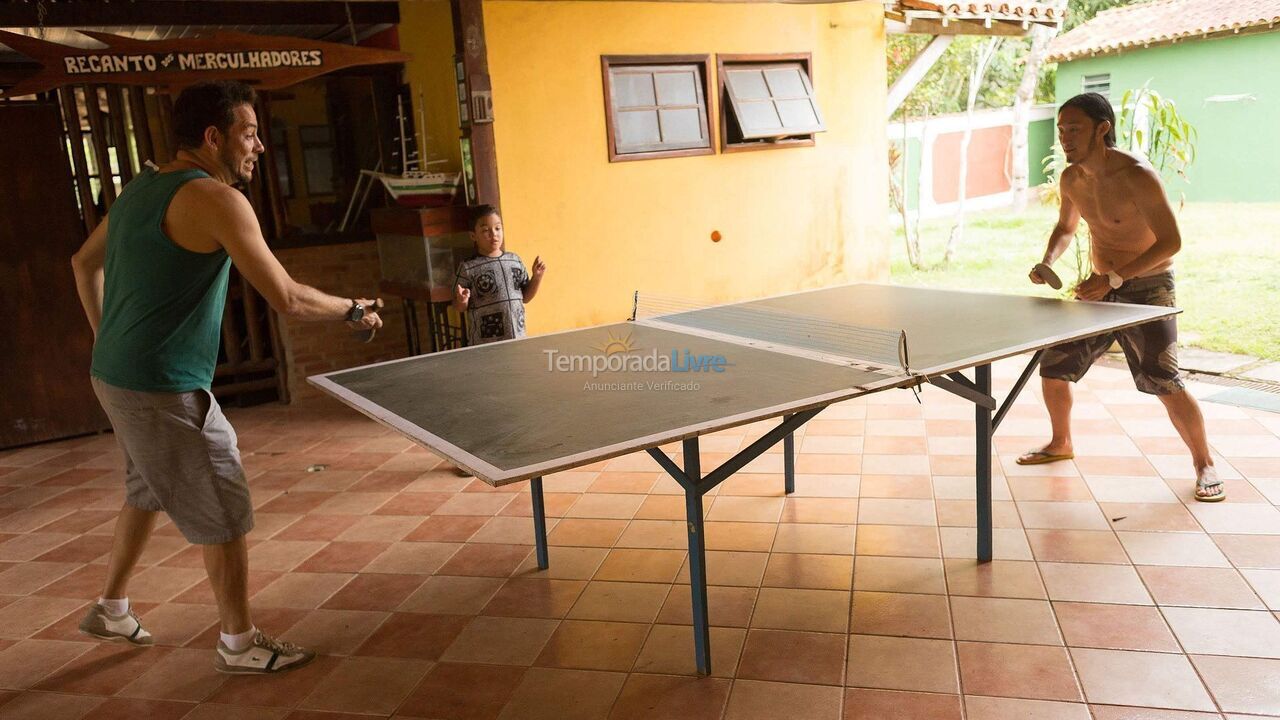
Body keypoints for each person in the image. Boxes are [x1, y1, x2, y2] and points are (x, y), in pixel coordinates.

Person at [70, 80, 384, 673]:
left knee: (147, 487)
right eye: (249, 132)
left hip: (116, 376)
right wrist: (350, 308)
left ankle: (111, 608)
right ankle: (239, 643)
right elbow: (286, 297)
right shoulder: (217, 200)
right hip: (162, 386)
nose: (260, 145)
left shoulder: (141, 189)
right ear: (214, 138)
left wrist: (107, 339)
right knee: (222, 497)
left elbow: (83, 263)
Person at [1023, 92, 1221, 502]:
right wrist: (1047, 261)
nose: (1065, 138)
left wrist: (1114, 278)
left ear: (1103, 128)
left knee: (1164, 380)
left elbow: (1171, 241)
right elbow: (1065, 228)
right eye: (1061, 131)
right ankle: (1061, 443)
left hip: (1147, 288)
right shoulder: (1072, 178)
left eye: (1074, 129)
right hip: (1100, 285)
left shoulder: (1137, 176)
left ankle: (1205, 464)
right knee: (1055, 363)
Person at [452, 204, 546, 345]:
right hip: (484, 344)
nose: (494, 234)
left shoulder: (514, 260)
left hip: (517, 339)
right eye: (485, 230)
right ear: (473, 236)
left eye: (497, 228)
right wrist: (462, 301)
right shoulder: (467, 267)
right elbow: (458, 306)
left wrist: (537, 277)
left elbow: (526, 297)